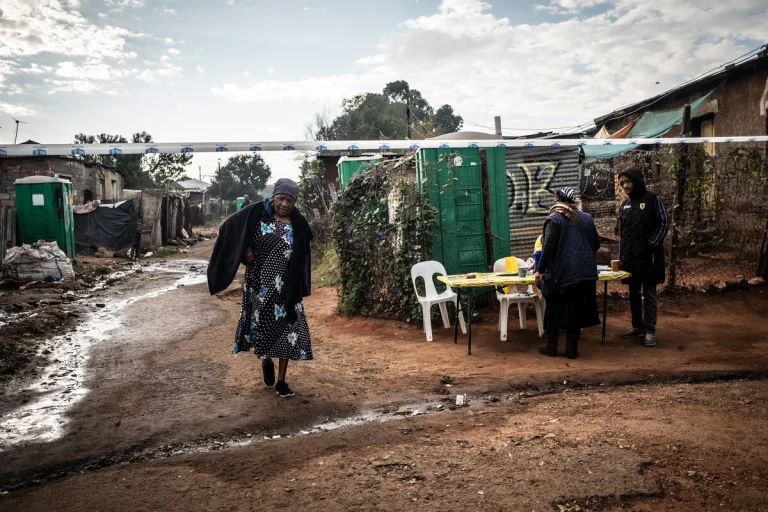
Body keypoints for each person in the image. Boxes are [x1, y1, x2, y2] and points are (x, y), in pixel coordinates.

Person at [207, 178, 313, 397]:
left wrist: (300, 285)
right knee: (263, 328)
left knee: (288, 330)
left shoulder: (299, 223)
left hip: (287, 287)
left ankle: (282, 381)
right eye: (281, 199)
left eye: (290, 201)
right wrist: (244, 247)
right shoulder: (256, 214)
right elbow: (229, 228)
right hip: (260, 285)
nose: (285, 204)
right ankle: (266, 360)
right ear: (273, 197)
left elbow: (304, 253)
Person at [535, 187, 600, 359]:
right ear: (573, 201)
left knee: (553, 309)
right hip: (585, 274)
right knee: (576, 312)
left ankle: (551, 347)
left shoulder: (554, 219)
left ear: (557, 201)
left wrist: (540, 271)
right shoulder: (587, 218)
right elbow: (596, 244)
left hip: (562, 275)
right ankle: (572, 350)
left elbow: (548, 248)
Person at [617, 166, 668, 347]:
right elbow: (623, 234)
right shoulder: (624, 205)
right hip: (631, 259)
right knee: (633, 293)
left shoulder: (654, 199)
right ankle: (637, 326)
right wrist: (622, 255)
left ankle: (649, 331)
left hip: (650, 258)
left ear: (637, 181)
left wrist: (650, 245)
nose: (625, 186)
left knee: (649, 293)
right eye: (622, 183)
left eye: (628, 181)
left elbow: (663, 224)